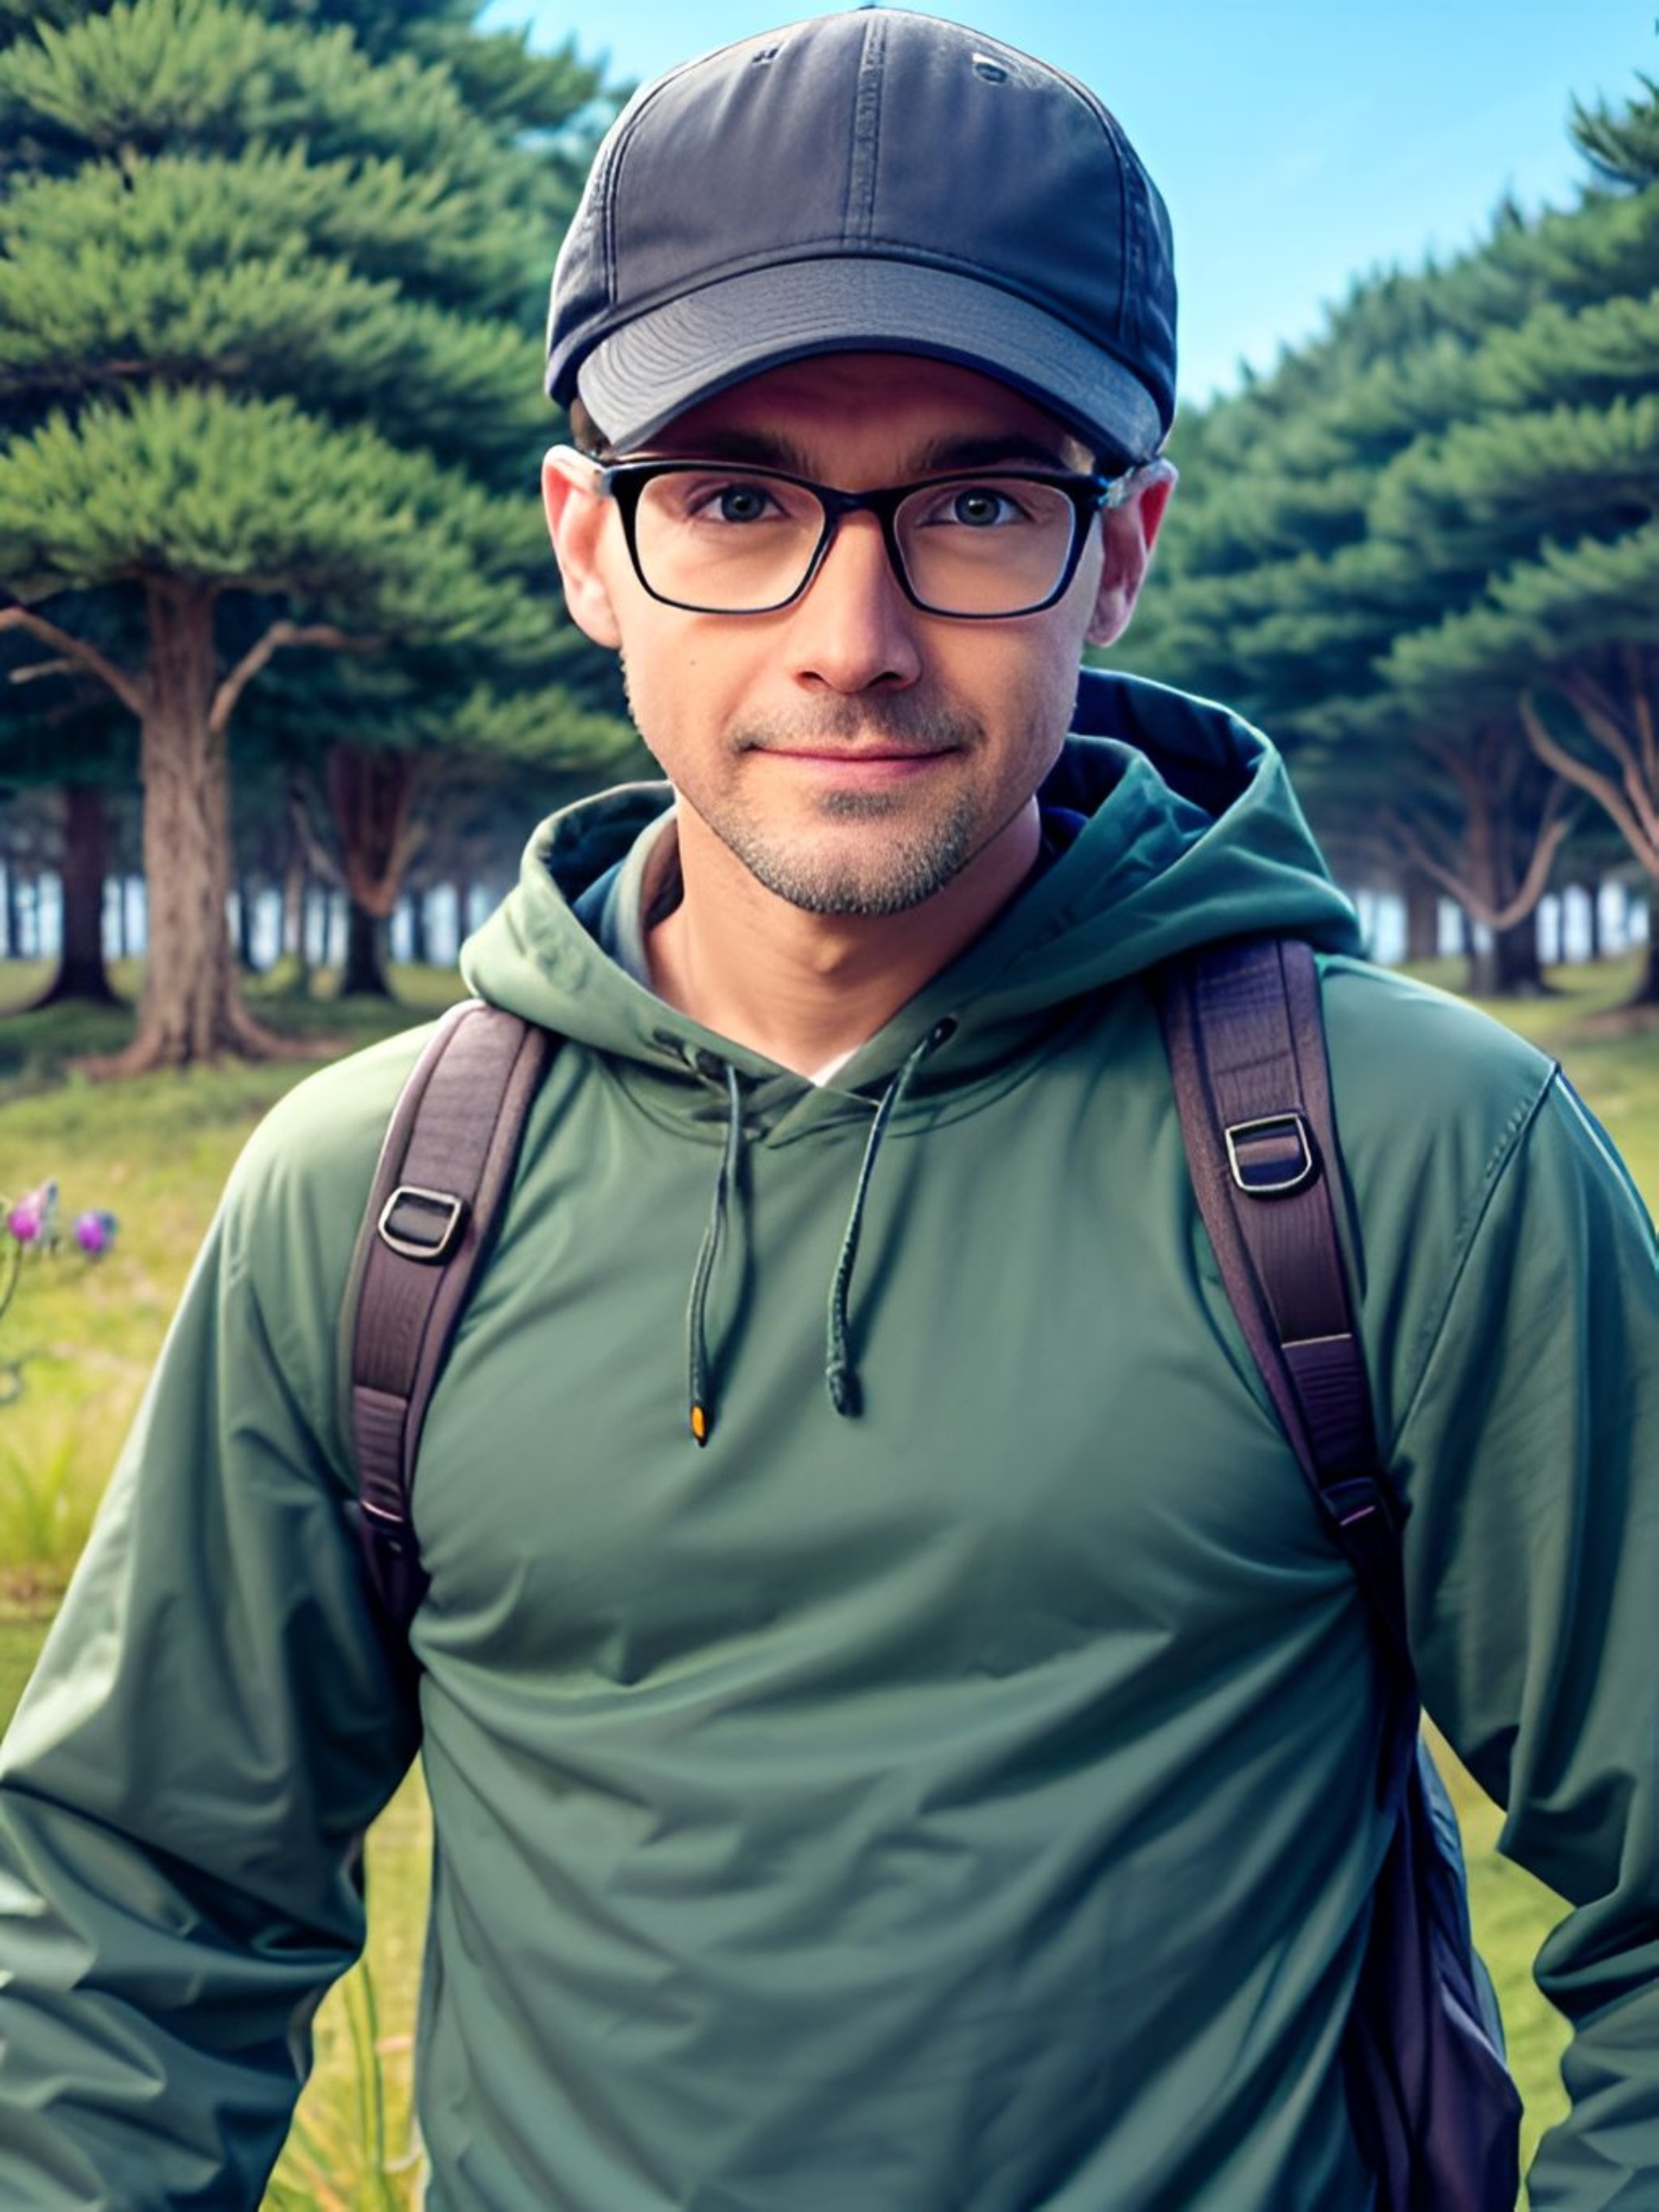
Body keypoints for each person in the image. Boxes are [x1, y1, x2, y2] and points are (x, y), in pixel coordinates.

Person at [2, 10, 1656, 2207]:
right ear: (590, 542)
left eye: (977, 502)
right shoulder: (371, 1194)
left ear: (1124, 544)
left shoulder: (1415, 1156)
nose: (852, 633)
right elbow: (133, 1920)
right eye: (738, 502)